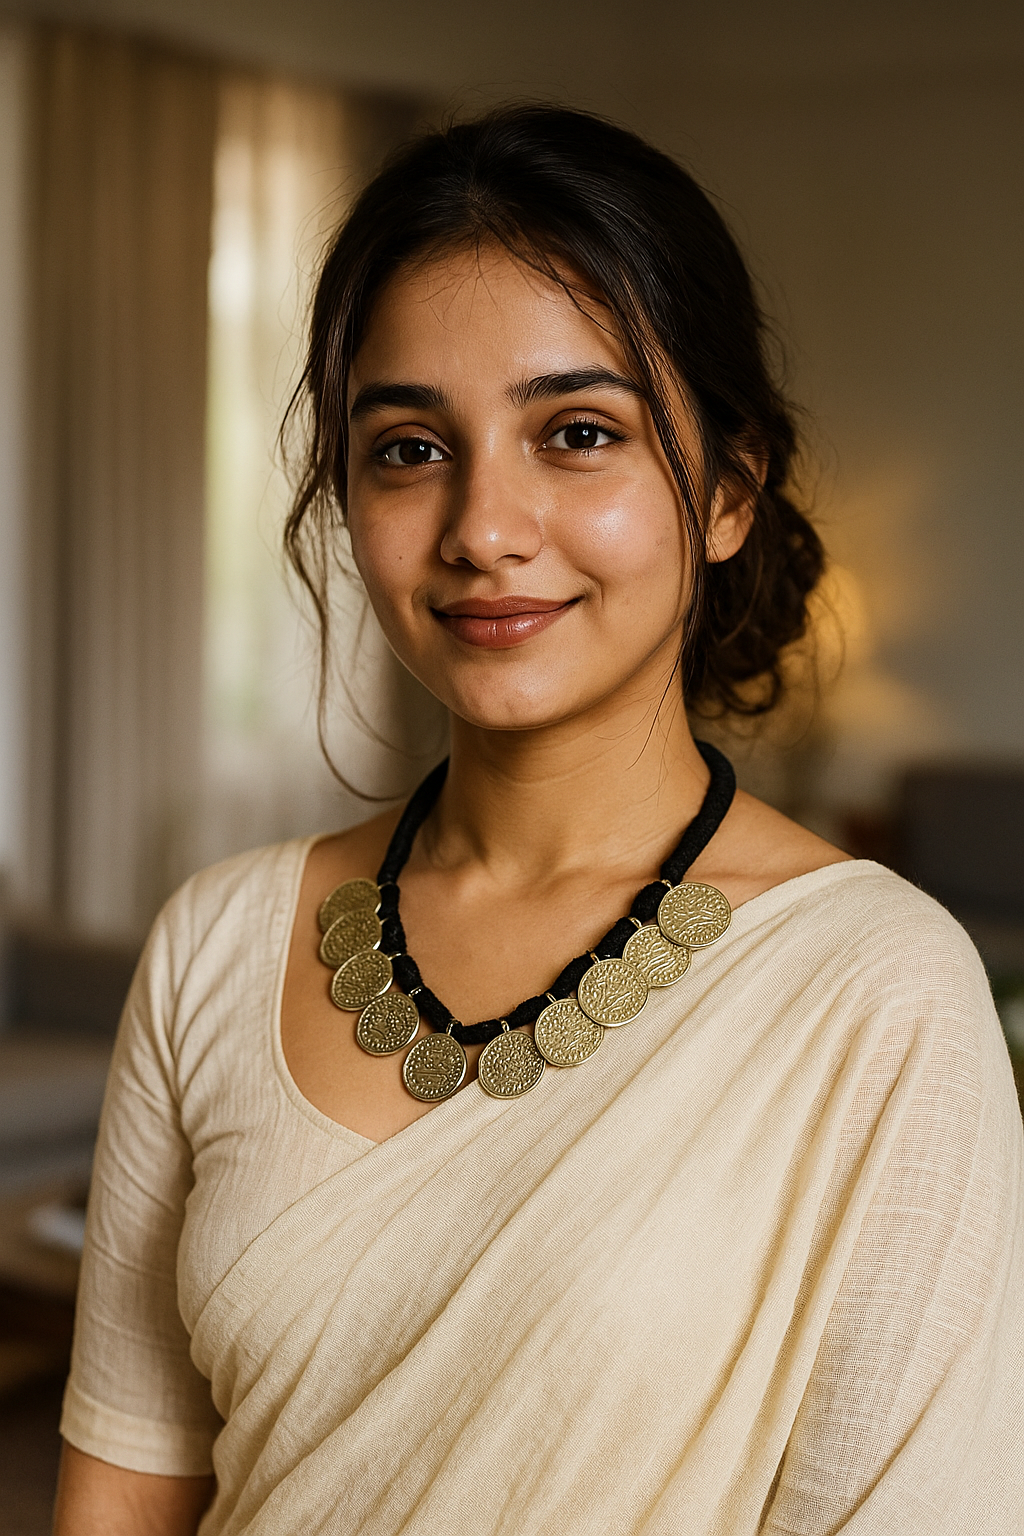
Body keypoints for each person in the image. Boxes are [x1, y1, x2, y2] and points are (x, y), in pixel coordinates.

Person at [54, 105, 1023, 1535]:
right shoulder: (216, 942)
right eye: (406, 449)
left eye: (577, 432)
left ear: (728, 494)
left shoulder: (877, 994)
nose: (483, 528)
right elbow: (119, 1499)